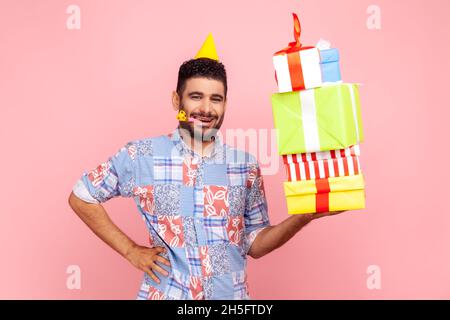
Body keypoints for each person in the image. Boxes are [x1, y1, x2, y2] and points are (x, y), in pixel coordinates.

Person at [68, 34, 344, 300]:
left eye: (216, 99)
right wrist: (130, 250)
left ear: (225, 104)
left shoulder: (244, 165)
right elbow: (82, 195)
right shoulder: (141, 155)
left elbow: (254, 244)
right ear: (177, 100)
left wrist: (304, 216)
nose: (206, 108)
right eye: (196, 96)